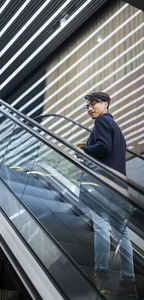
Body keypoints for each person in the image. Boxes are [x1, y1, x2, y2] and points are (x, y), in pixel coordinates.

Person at [79, 92, 137, 297]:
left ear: (105, 104)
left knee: (102, 225)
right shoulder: (116, 128)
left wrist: (84, 150)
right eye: (87, 106)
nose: (89, 109)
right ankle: (128, 278)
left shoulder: (102, 123)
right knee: (121, 232)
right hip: (119, 186)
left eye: (93, 104)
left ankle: (101, 274)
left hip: (104, 185)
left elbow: (103, 148)